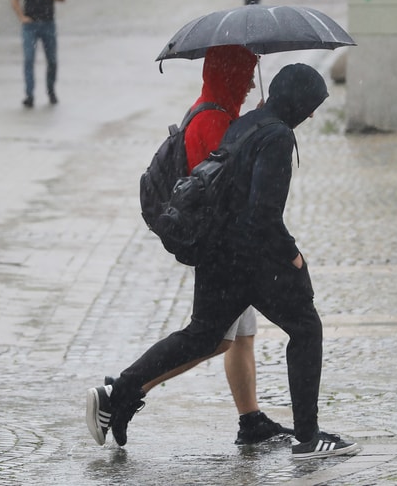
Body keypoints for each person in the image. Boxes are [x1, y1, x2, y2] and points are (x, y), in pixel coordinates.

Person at [87, 63, 360, 459]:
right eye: (312, 104)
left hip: (219, 253)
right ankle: (308, 436)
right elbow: (263, 215)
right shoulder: (277, 136)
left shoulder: (247, 123)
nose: (313, 113)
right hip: (248, 258)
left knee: (202, 335)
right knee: (305, 327)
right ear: (298, 102)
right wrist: (293, 256)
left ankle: (118, 395)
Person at [93, 46, 292, 447]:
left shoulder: (217, 110)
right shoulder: (213, 120)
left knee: (237, 336)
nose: (251, 80)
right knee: (207, 338)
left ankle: (250, 419)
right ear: (229, 72)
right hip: (225, 250)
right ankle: (122, 392)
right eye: (246, 72)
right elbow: (228, 191)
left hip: (231, 246)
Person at [10, 0, 65, 108]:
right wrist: (21, 16)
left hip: (48, 23)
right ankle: (29, 94)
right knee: (29, 59)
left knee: (52, 60)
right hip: (30, 25)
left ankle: (51, 90)